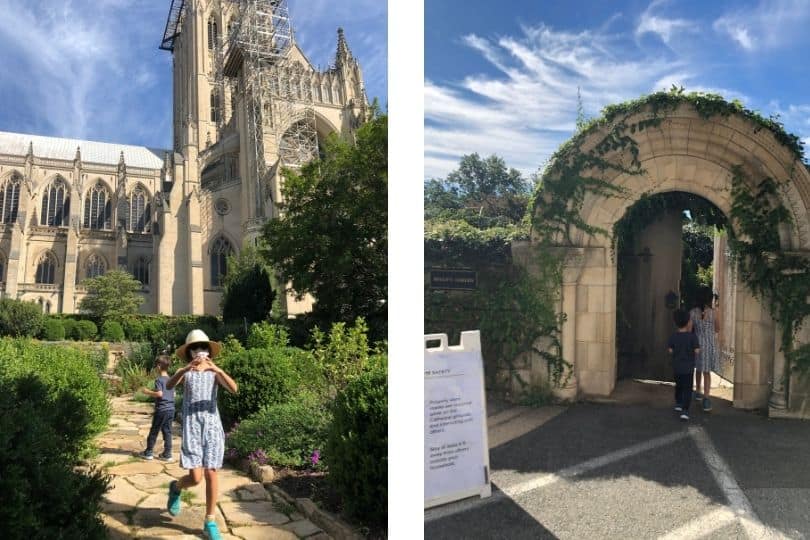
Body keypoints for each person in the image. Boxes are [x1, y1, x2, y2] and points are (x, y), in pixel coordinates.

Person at [165, 329, 238, 540]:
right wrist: (184, 369)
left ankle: (210, 521)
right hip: (192, 426)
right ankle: (176, 487)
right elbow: (169, 385)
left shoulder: (215, 372)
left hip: (212, 425)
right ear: (189, 352)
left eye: (203, 347)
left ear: (209, 351)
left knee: (211, 472)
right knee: (195, 478)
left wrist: (218, 370)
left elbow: (234, 388)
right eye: (195, 348)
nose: (200, 351)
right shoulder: (186, 371)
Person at [689, 286, 720, 412]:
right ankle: (706, 398)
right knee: (707, 372)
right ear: (709, 299)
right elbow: (718, 328)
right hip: (709, 345)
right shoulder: (713, 313)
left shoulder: (692, 312)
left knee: (698, 368)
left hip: (697, 345)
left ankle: (697, 391)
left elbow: (690, 329)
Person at [138, 355, 175, 462]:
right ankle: (167, 454)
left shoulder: (159, 380)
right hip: (171, 409)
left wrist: (147, 392)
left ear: (158, 366)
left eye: (156, 366)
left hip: (161, 409)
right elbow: (174, 394)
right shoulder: (171, 379)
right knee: (167, 431)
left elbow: (159, 394)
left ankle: (148, 452)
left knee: (154, 431)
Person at [668, 308, 700, 421]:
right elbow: (697, 351)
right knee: (688, 388)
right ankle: (685, 410)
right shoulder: (692, 337)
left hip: (677, 367)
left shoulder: (673, 336)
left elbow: (670, 350)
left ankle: (678, 403)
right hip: (688, 369)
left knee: (678, 386)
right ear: (687, 323)